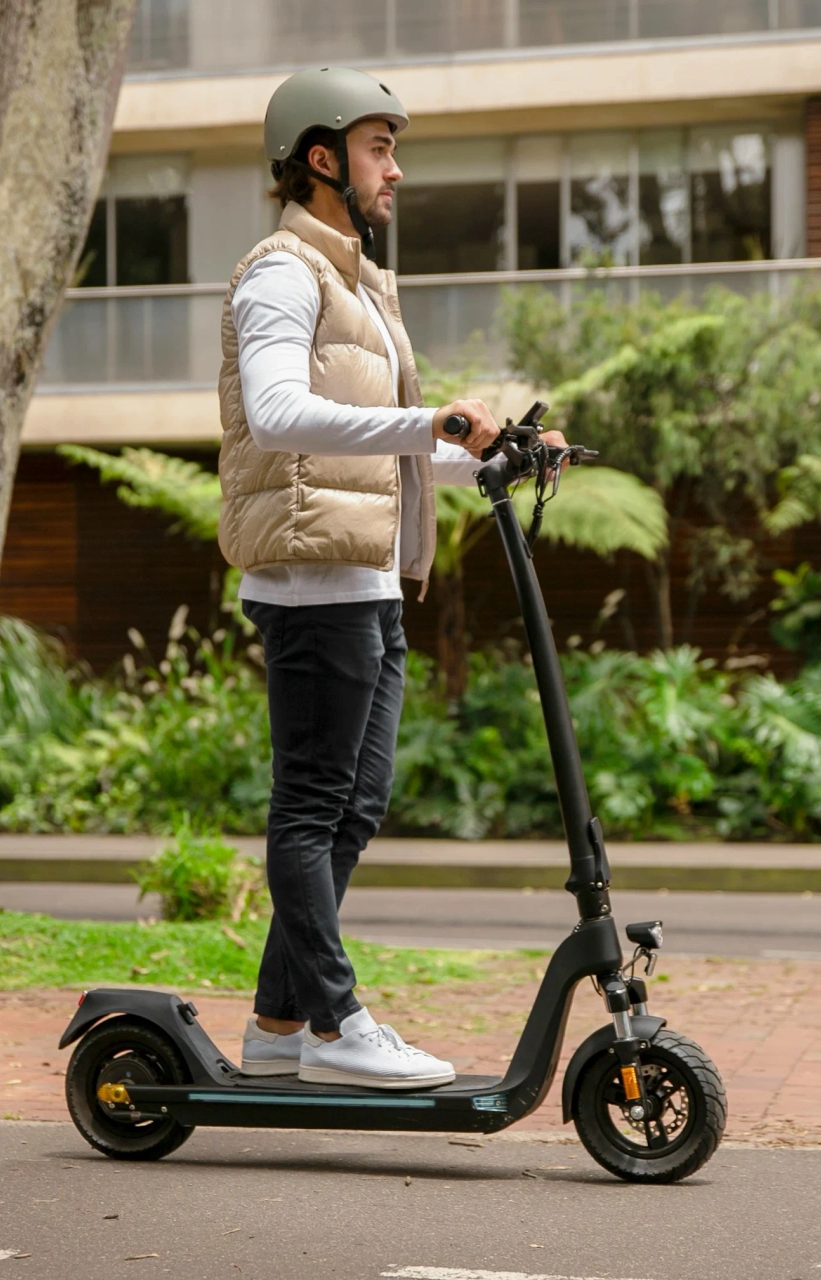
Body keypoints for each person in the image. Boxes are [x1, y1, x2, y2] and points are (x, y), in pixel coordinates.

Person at [217, 67, 565, 1089]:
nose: (396, 169)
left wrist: (491, 457)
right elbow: (280, 414)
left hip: (368, 577)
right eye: (380, 148)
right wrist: (431, 422)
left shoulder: (361, 285)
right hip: (310, 583)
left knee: (355, 807)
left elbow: (390, 449)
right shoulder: (283, 273)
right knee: (312, 806)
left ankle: (281, 1020)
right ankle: (334, 1024)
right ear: (321, 158)